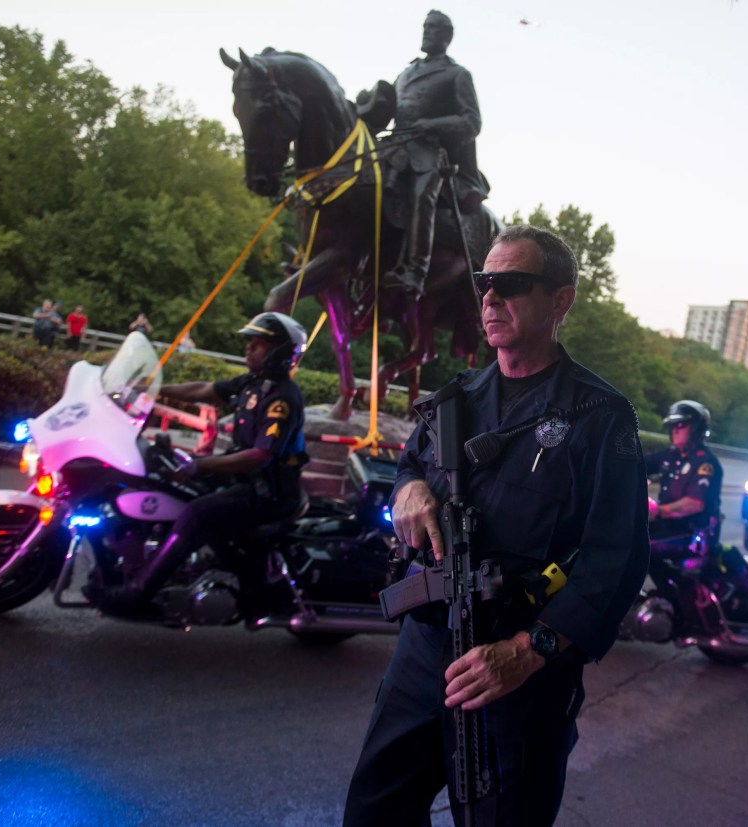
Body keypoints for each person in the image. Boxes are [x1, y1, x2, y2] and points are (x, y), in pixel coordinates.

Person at [343, 225, 649, 826]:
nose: (489, 299)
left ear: (561, 301)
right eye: (485, 284)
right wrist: (406, 490)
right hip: (426, 648)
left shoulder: (598, 415)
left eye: (511, 285)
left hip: (517, 667)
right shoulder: (455, 399)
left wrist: (529, 650)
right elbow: (408, 465)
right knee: (373, 813)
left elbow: (617, 557)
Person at [98, 311, 310, 622]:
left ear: (279, 352)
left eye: (258, 344)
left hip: (268, 491)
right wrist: (154, 390)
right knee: (172, 489)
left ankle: (137, 593)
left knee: (196, 512)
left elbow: (260, 456)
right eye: (250, 343)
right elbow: (205, 390)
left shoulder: (283, 398)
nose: (249, 349)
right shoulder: (254, 383)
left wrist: (202, 465)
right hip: (245, 480)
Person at [378, 10, 488, 294]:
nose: (427, 32)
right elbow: (385, 109)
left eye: (434, 28)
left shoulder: (457, 74)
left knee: (422, 191)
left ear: (447, 36)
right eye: (425, 27)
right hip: (394, 146)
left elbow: (471, 122)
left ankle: (416, 269)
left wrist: (431, 124)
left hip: (430, 150)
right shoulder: (406, 72)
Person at [644, 400, 724, 546]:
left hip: (692, 535)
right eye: (672, 425)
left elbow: (694, 504)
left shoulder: (706, 462)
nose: (675, 429)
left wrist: (657, 511)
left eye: (681, 425)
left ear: (697, 428)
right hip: (669, 525)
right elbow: (639, 464)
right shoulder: (671, 454)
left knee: (636, 550)